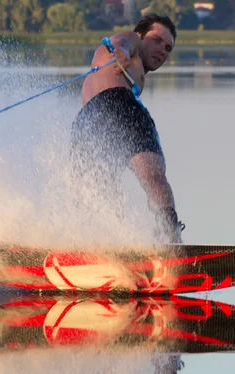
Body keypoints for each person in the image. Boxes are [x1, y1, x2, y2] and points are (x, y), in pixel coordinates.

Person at [69, 14, 185, 244]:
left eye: (168, 47)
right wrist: (121, 50)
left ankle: (101, 242)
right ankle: (170, 233)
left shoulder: (134, 69)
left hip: (86, 122)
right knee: (152, 173)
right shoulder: (129, 44)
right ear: (141, 36)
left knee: (98, 187)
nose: (162, 49)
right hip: (118, 105)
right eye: (156, 40)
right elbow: (122, 40)